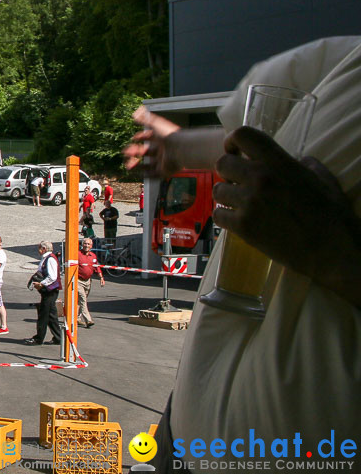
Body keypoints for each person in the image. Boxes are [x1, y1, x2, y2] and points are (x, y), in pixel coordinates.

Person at [123, 37, 361, 468]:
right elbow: (260, 125)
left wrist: (337, 255)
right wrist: (179, 148)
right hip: (184, 436)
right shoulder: (349, 58)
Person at [23, 241, 63, 346]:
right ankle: (58, 337)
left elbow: (53, 277)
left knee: (43, 315)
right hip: (50, 290)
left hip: (50, 290)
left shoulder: (50, 259)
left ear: (44, 248)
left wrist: (42, 283)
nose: (38, 250)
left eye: (39, 248)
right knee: (51, 315)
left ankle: (38, 338)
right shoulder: (47, 258)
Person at [76, 237, 105, 328]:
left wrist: (101, 278)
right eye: (85, 244)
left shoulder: (93, 256)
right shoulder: (77, 254)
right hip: (78, 281)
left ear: (91, 246)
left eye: (88, 244)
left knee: (80, 301)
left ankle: (76, 317)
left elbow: (97, 267)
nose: (86, 246)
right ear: (82, 244)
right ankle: (88, 320)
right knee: (83, 299)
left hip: (88, 281)